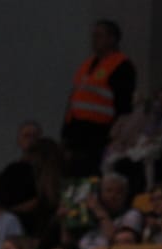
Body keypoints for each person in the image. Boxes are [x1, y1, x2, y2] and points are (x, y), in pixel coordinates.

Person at [61, 20, 135, 177]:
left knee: (91, 174)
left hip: (99, 134)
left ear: (112, 39)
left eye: (99, 35)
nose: (94, 39)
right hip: (77, 131)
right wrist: (66, 132)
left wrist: (115, 136)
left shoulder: (121, 66)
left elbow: (123, 106)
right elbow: (74, 99)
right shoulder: (87, 64)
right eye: (93, 35)